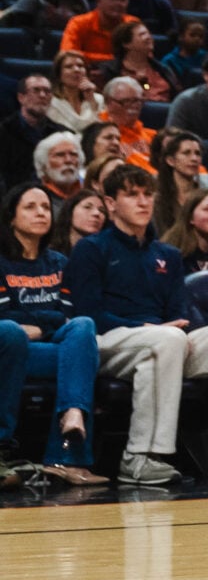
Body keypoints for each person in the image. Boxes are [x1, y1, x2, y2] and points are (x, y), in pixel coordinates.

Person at [69, 162, 208, 486]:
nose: (143, 201)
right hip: (106, 341)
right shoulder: (91, 249)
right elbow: (87, 314)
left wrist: (175, 330)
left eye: (148, 194)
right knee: (165, 340)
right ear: (110, 204)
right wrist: (151, 329)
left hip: (160, 342)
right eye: (132, 195)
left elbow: (179, 311)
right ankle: (141, 455)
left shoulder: (168, 254)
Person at [0, 180, 100, 471]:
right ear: (11, 217)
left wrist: (38, 326)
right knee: (78, 357)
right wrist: (46, 323)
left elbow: (66, 316)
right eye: (30, 207)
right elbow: (8, 320)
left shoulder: (59, 262)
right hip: (12, 352)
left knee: (83, 326)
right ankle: (67, 458)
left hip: (44, 348)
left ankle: (72, 418)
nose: (41, 212)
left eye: (45, 206)